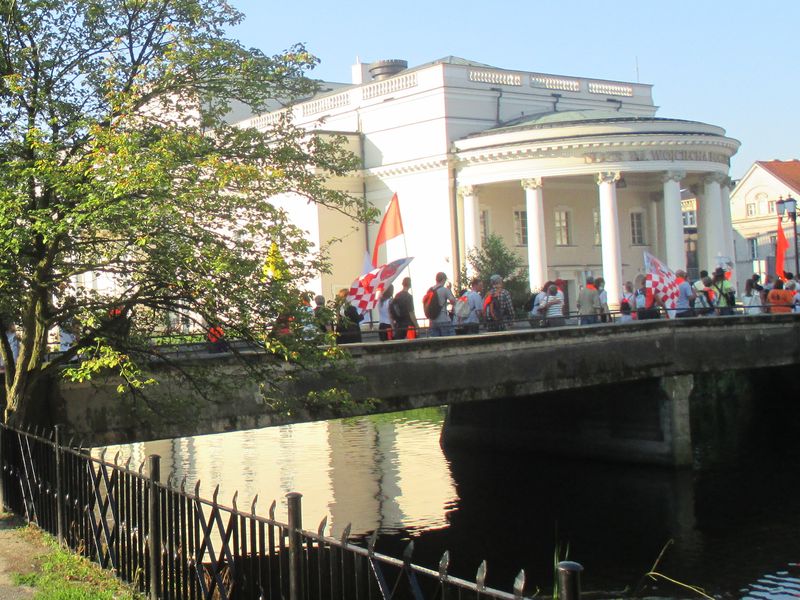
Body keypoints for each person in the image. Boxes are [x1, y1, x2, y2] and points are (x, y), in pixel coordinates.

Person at [426, 272, 457, 337]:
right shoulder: (444, 290)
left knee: (436, 342)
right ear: (443, 279)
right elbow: (453, 302)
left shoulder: (430, 290)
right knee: (449, 340)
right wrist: (449, 290)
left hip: (432, 321)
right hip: (444, 320)